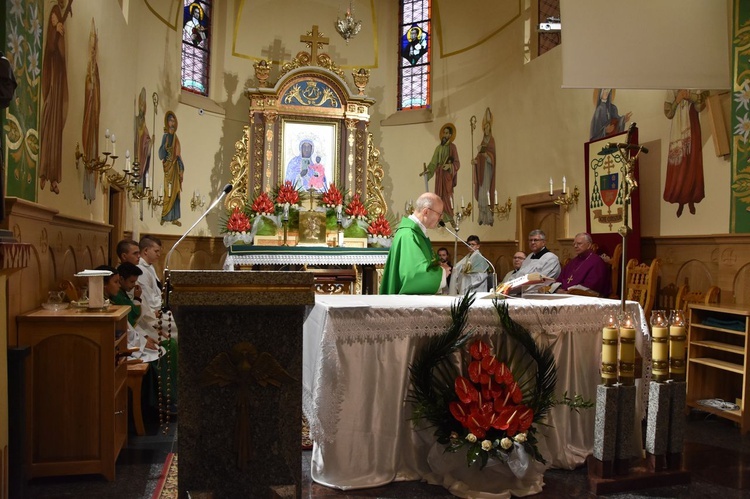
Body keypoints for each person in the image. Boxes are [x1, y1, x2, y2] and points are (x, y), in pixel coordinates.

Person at [380, 192, 450, 294]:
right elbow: (413, 275)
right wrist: (442, 273)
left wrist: (438, 265)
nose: (440, 219)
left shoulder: (417, 234)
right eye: (439, 214)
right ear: (426, 211)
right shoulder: (408, 235)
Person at [39, 0, 74, 195]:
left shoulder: (61, 24)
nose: (54, 19)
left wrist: (61, 34)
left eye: (56, 18)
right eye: (53, 18)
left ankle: (53, 177)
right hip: (52, 80)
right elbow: (51, 50)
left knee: (56, 133)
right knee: (48, 123)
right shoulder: (54, 22)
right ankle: (43, 171)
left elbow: (62, 54)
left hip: (59, 82)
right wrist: (56, 35)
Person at [663, 89, 708, 217]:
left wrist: (689, 96)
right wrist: (677, 100)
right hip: (677, 132)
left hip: (692, 126)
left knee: (693, 162)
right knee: (679, 166)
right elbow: (669, 113)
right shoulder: (671, 89)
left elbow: (700, 106)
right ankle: (680, 200)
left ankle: (692, 198)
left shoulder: (696, 84)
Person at [422, 123, 460, 218]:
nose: (445, 135)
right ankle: (440, 214)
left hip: (447, 177)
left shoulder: (452, 147)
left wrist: (449, 166)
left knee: (447, 195)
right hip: (439, 176)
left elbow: (457, 163)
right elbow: (433, 163)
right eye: (444, 133)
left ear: (450, 135)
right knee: (438, 195)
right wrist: (428, 172)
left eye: (447, 133)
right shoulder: (438, 148)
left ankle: (448, 215)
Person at [82, 20, 100, 203]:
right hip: (88, 119)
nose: (94, 52)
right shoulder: (88, 71)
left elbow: (98, 101)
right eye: (92, 49)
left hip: (93, 120)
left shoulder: (97, 74)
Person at [159, 111, 183, 226]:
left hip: (175, 167)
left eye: (173, 121)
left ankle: (174, 218)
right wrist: (164, 147)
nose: (172, 123)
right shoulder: (165, 136)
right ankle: (164, 215)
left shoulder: (176, 138)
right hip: (168, 167)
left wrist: (181, 169)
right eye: (170, 120)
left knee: (176, 192)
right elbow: (160, 154)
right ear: (167, 122)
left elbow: (178, 155)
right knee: (167, 191)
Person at [473, 108, 496, 225]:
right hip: (481, 173)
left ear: (490, 128)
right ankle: (481, 216)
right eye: (484, 128)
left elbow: (493, 158)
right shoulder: (483, 142)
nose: (486, 130)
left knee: (487, 193)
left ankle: (489, 216)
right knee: (482, 193)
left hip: (488, 172)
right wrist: (475, 161)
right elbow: (478, 156)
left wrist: (487, 156)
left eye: (487, 128)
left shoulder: (491, 141)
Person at [134, 87, 152, 188]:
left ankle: (140, 183)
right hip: (137, 153)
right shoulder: (136, 121)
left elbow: (147, 139)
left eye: (143, 106)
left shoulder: (144, 126)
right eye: (140, 105)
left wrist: (150, 142)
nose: (141, 108)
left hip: (142, 156)